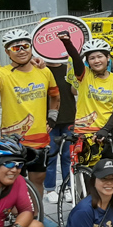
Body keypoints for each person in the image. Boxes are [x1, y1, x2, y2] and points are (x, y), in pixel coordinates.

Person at [0, 29, 61, 227]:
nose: (22, 50)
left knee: (38, 179)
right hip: (13, 140)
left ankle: (36, 213)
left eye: (26, 46)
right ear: (7, 52)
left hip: (40, 137)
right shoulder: (2, 73)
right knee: (11, 180)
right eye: (16, 47)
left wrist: (52, 116)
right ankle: (14, 216)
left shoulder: (44, 71)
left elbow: (55, 96)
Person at [59, 34, 113, 160]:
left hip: (109, 130)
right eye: (92, 58)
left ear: (108, 58)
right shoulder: (84, 75)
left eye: (100, 56)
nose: (96, 61)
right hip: (85, 132)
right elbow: (75, 58)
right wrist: (67, 42)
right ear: (87, 61)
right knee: (89, 175)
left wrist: (105, 130)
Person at [45, 60, 76, 205]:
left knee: (68, 156)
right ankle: (50, 189)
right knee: (50, 155)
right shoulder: (41, 69)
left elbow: (75, 91)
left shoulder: (68, 69)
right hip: (49, 121)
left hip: (69, 118)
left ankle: (68, 187)